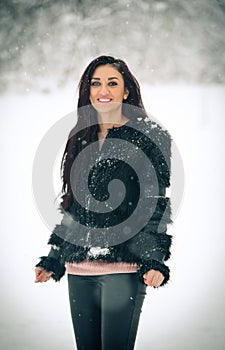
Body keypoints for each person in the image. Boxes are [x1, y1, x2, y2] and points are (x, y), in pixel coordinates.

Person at [35, 55, 172, 350]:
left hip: (122, 268)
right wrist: (54, 257)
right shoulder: (80, 136)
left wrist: (154, 259)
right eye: (96, 83)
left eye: (112, 82)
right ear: (88, 91)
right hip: (78, 270)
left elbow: (155, 204)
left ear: (126, 91)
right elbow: (73, 206)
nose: (103, 90)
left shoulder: (149, 137)